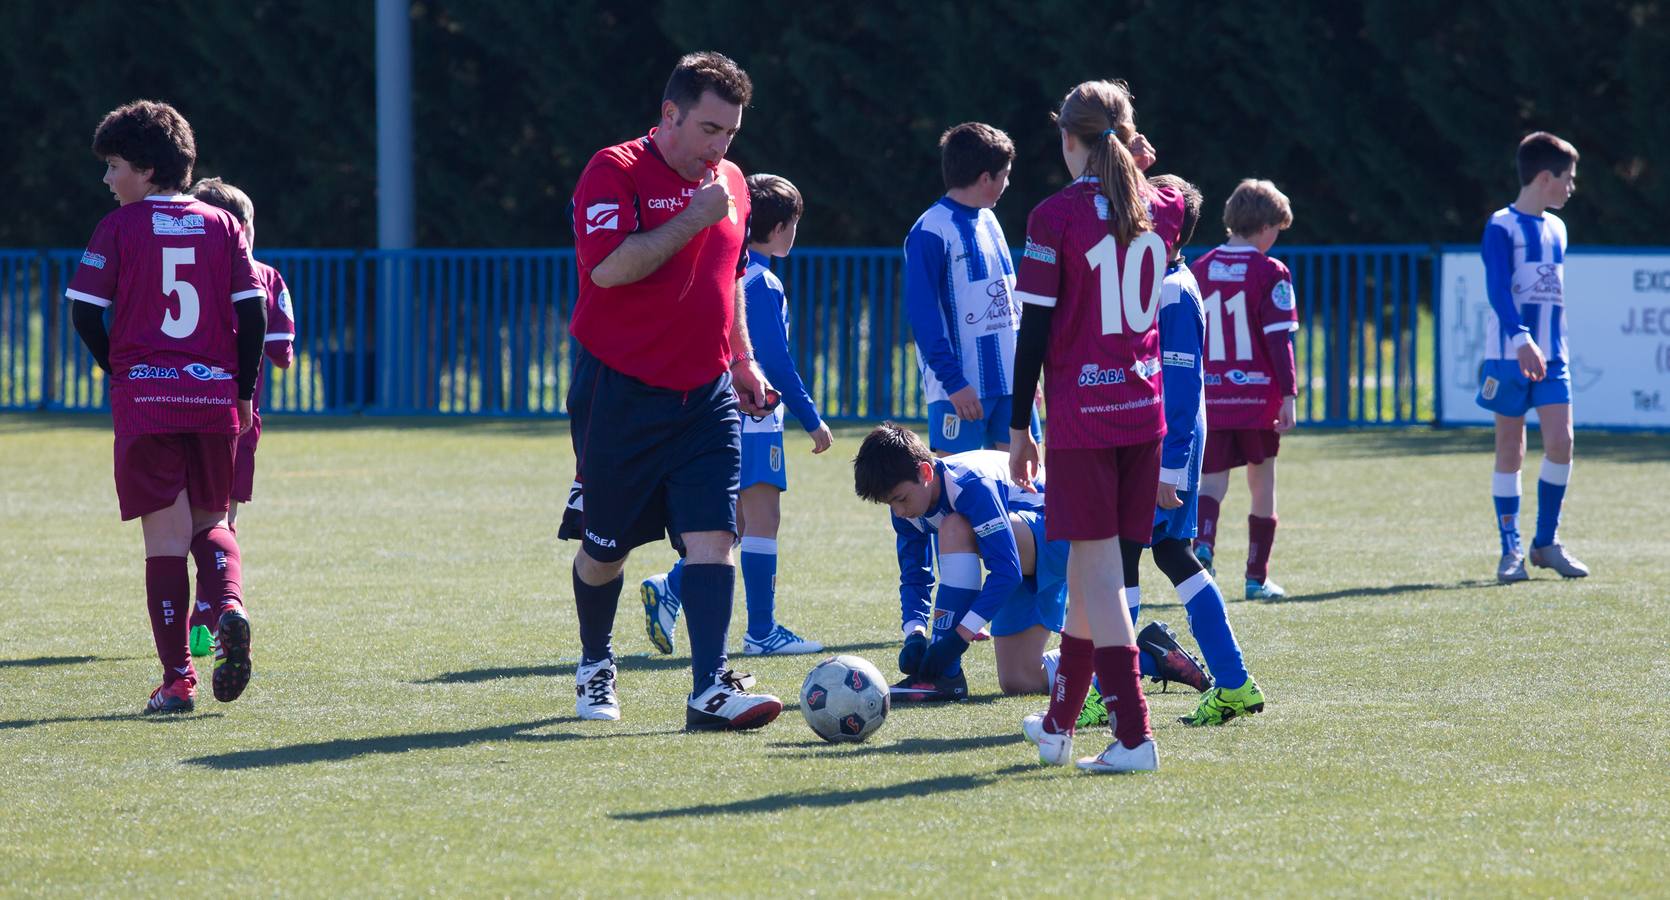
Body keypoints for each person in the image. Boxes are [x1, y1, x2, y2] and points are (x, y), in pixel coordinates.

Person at [558, 51, 784, 731]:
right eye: (710, 129)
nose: (720, 147)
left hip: (707, 395)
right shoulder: (614, 169)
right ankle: (596, 662)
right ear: (670, 115)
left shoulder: (734, 183)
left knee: (716, 537)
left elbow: (732, 277)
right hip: (620, 394)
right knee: (605, 551)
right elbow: (608, 271)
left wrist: (742, 360)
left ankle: (708, 690)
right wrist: (691, 215)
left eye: (732, 134)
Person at [65, 100, 266, 714]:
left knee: (163, 543)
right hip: (212, 397)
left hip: (147, 401)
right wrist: (240, 388)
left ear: (147, 170)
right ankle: (228, 606)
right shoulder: (222, 224)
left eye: (115, 166)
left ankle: (178, 679)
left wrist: (120, 371)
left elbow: (82, 312)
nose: (107, 179)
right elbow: (251, 314)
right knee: (212, 521)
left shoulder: (119, 227)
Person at [1008, 79, 1184, 773]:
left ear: (1066, 137)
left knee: (1100, 576)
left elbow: (1035, 331)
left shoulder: (1054, 215)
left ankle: (1135, 737)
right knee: (1091, 575)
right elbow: (1187, 202)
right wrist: (1140, 166)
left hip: (1085, 414)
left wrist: (1020, 423)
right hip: (1144, 411)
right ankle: (1058, 725)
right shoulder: (1165, 203)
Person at [640, 173, 832, 657]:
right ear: (781, 226)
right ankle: (762, 631)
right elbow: (775, 362)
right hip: (754, 411)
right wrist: (812, 418)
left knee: (739, 524)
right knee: (763, 518)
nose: (796, 232)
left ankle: (673, 586)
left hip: (724, 409)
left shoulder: (729, 268)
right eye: (794, 222)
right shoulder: (761, 280)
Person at [1117, 174, 1264, 727]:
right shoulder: (1162, 277)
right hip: (1164, 441)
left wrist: (1171, 469)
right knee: (1169, 555)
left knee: (1123, 555)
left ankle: (1109, 692)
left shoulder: (1175, 290)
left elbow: (1179, 388)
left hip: (1165, 445)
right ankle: (1233, 682)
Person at [852, 423, 1067, 701]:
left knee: (955, 526)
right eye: (889, 504)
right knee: (1019, 679)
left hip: (1063, 535)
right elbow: (915, 576)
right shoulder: (906, 509)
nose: (898, 511)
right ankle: (1112, 657)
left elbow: (1006, 572)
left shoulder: (969, 485)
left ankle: (946, 678)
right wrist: (914, 634)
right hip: (1021, 547)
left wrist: (957, 639)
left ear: (925, 472)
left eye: (900, 499)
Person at [184, 177, 296, 658]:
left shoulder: (184, 273)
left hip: (171, 408)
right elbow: (280, 353)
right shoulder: (265, 277)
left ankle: (187, 627)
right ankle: (206, 616)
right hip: (235, 416)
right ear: (246, 228)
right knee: (222, 521)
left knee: (175, 523)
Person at [1476, 132, 1588, 582]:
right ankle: (1511, 551)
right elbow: (1498, 288)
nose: (1571, 188)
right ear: (1545, 177)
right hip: (1509, 353)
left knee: (1561, 443)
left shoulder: (1557, 228)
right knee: (1510, 448)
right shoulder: (1500, 225)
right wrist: (1520, 337)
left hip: (1553, 355)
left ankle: (1546, 543)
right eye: (1568, 179)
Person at [1188, 179, 1298, 600]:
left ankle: (1203, 551)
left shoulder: (1200, 268)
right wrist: (1289, 395)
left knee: (1211, 483)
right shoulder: (1271, 272)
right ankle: (1255, 578)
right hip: (1257, 399)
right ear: (1266, 226)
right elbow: (1278, 341)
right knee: (1262, 483)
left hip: (1212, 398)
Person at [902, 123, 1040, 455]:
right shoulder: (930, 231)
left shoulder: (990, 221)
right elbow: (923, 318)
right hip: (961, 391)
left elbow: (1010, 301)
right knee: (959, 489)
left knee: (1025, 489)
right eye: (1005, 175)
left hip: (1011, 386)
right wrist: (953, 383)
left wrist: (1028, 373)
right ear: (985, 179)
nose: (1008, 183)